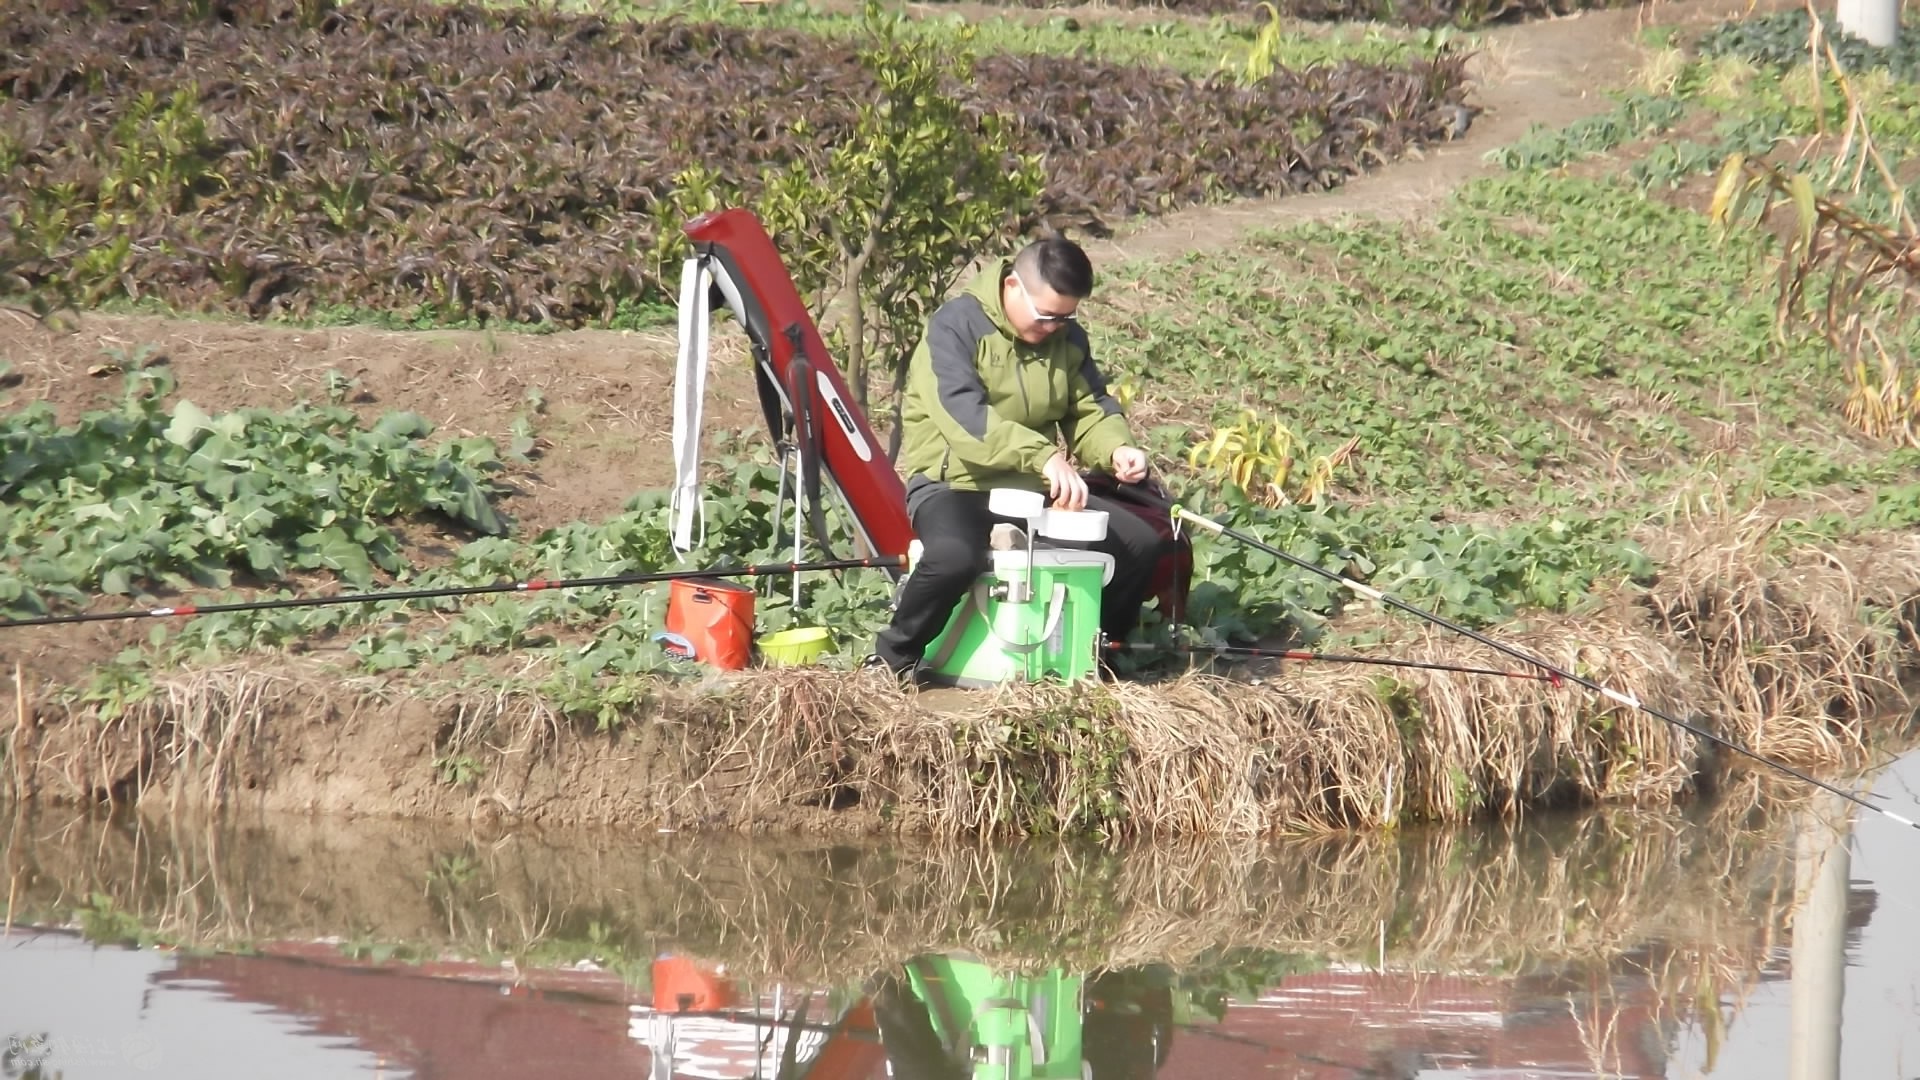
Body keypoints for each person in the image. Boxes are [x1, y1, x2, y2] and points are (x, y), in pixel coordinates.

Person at [869, 235, 1174, 681]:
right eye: (1047, 315)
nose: (1055, 326)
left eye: (1066, 317)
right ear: (1013, 285)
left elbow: (1089, 406)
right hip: (954, 484)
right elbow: (967, 421)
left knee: (1138, 544)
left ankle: (1092, 658)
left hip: (1031, 487)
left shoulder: (1067, 338)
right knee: (954, 557)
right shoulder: (954, 327)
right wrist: (1045, 457)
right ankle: (893, 658)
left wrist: (1115, 447)